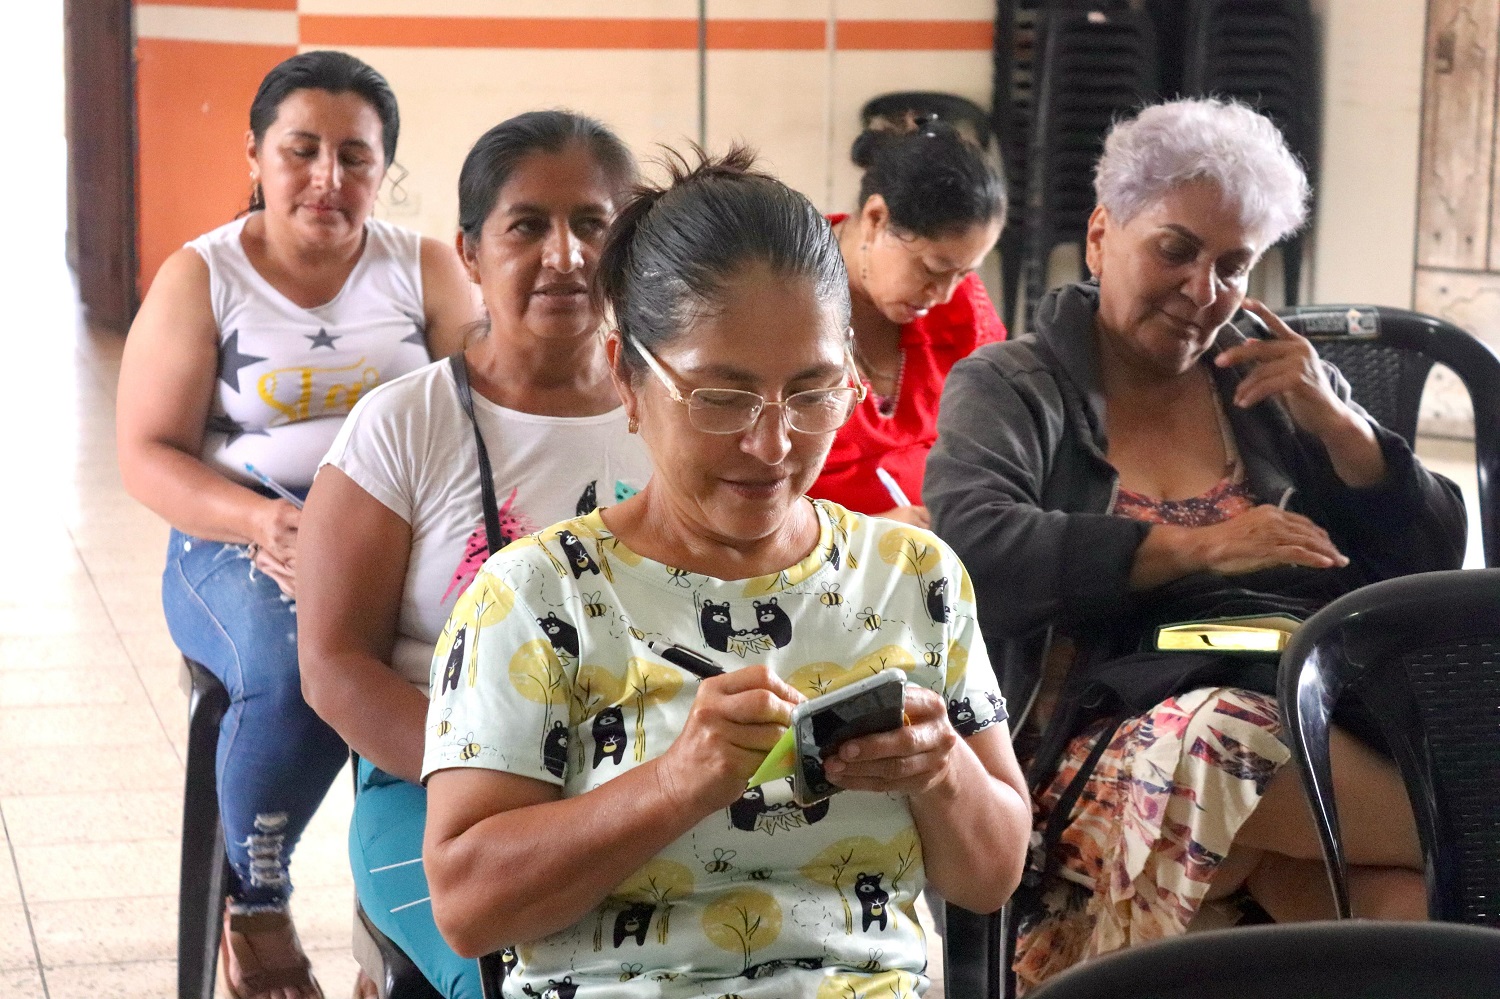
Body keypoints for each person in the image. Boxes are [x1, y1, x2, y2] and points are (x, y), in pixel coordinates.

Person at [418, 148, 1032, 998]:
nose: (772, 444)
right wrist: (675, 784)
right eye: (721, 398)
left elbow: (990, 877)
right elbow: (467, 908)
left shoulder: (912, 578)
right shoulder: (536, 598)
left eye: (813, 393)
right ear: (627, 376)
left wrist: (942, 770)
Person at [924, 98, 1468, 990]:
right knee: (1223, 743)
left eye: (1233, 266)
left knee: (1401, 904)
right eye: (1175, 249)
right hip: (1098, 735)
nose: (1203, 290)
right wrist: (1203, 547)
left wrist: (1340, 426)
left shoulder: (1270, 378)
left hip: (1300, 703)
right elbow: (976, 552)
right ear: (1100, 235)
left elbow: (1432, 563)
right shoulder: (1014, 385)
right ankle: (1478, 817)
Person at [116, 50, 475, 999]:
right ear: (256, 155)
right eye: (301, 150)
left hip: (398, 535)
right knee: (303, 667)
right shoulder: (203, 276)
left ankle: (404, 923)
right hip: (236, 537)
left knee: (489, 662)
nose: (328, 177)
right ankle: (256, 900)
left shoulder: (424, 268)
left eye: (355, 156)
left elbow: (489, 402)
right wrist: (262, 521)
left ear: (384, 167)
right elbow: (146, 452)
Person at [296, 111, 649, 998]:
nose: (566, 255)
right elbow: (334, 664)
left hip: (641, 776)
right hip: (432, 788)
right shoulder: (404, 424)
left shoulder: (674, 414)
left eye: (593, 224)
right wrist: (499, 774)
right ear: (470, 253)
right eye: (527, 226)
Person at [811, 115, 1007, 526]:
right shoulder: (784, 300)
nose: (945, 294)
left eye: (963, 273)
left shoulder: (963, 310)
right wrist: (866, 533)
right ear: (876, 218)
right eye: (932, 269)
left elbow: (996, 437)